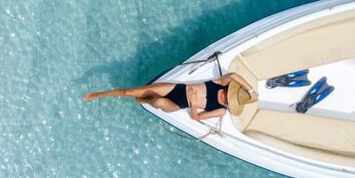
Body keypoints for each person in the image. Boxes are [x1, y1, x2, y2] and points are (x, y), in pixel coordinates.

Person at [84, 73, 258, 121]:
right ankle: (99, 95)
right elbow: (234, 75)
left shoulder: (220, 110)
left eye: (229, 103)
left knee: (158, 102)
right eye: (229, 97)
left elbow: (196, 118)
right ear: (230, 91)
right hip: (176, 89)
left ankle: (146, 100)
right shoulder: (221, 82)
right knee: (129, 92)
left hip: (179, 104)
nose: (226, 101)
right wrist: (250, 90)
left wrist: (192, 102)